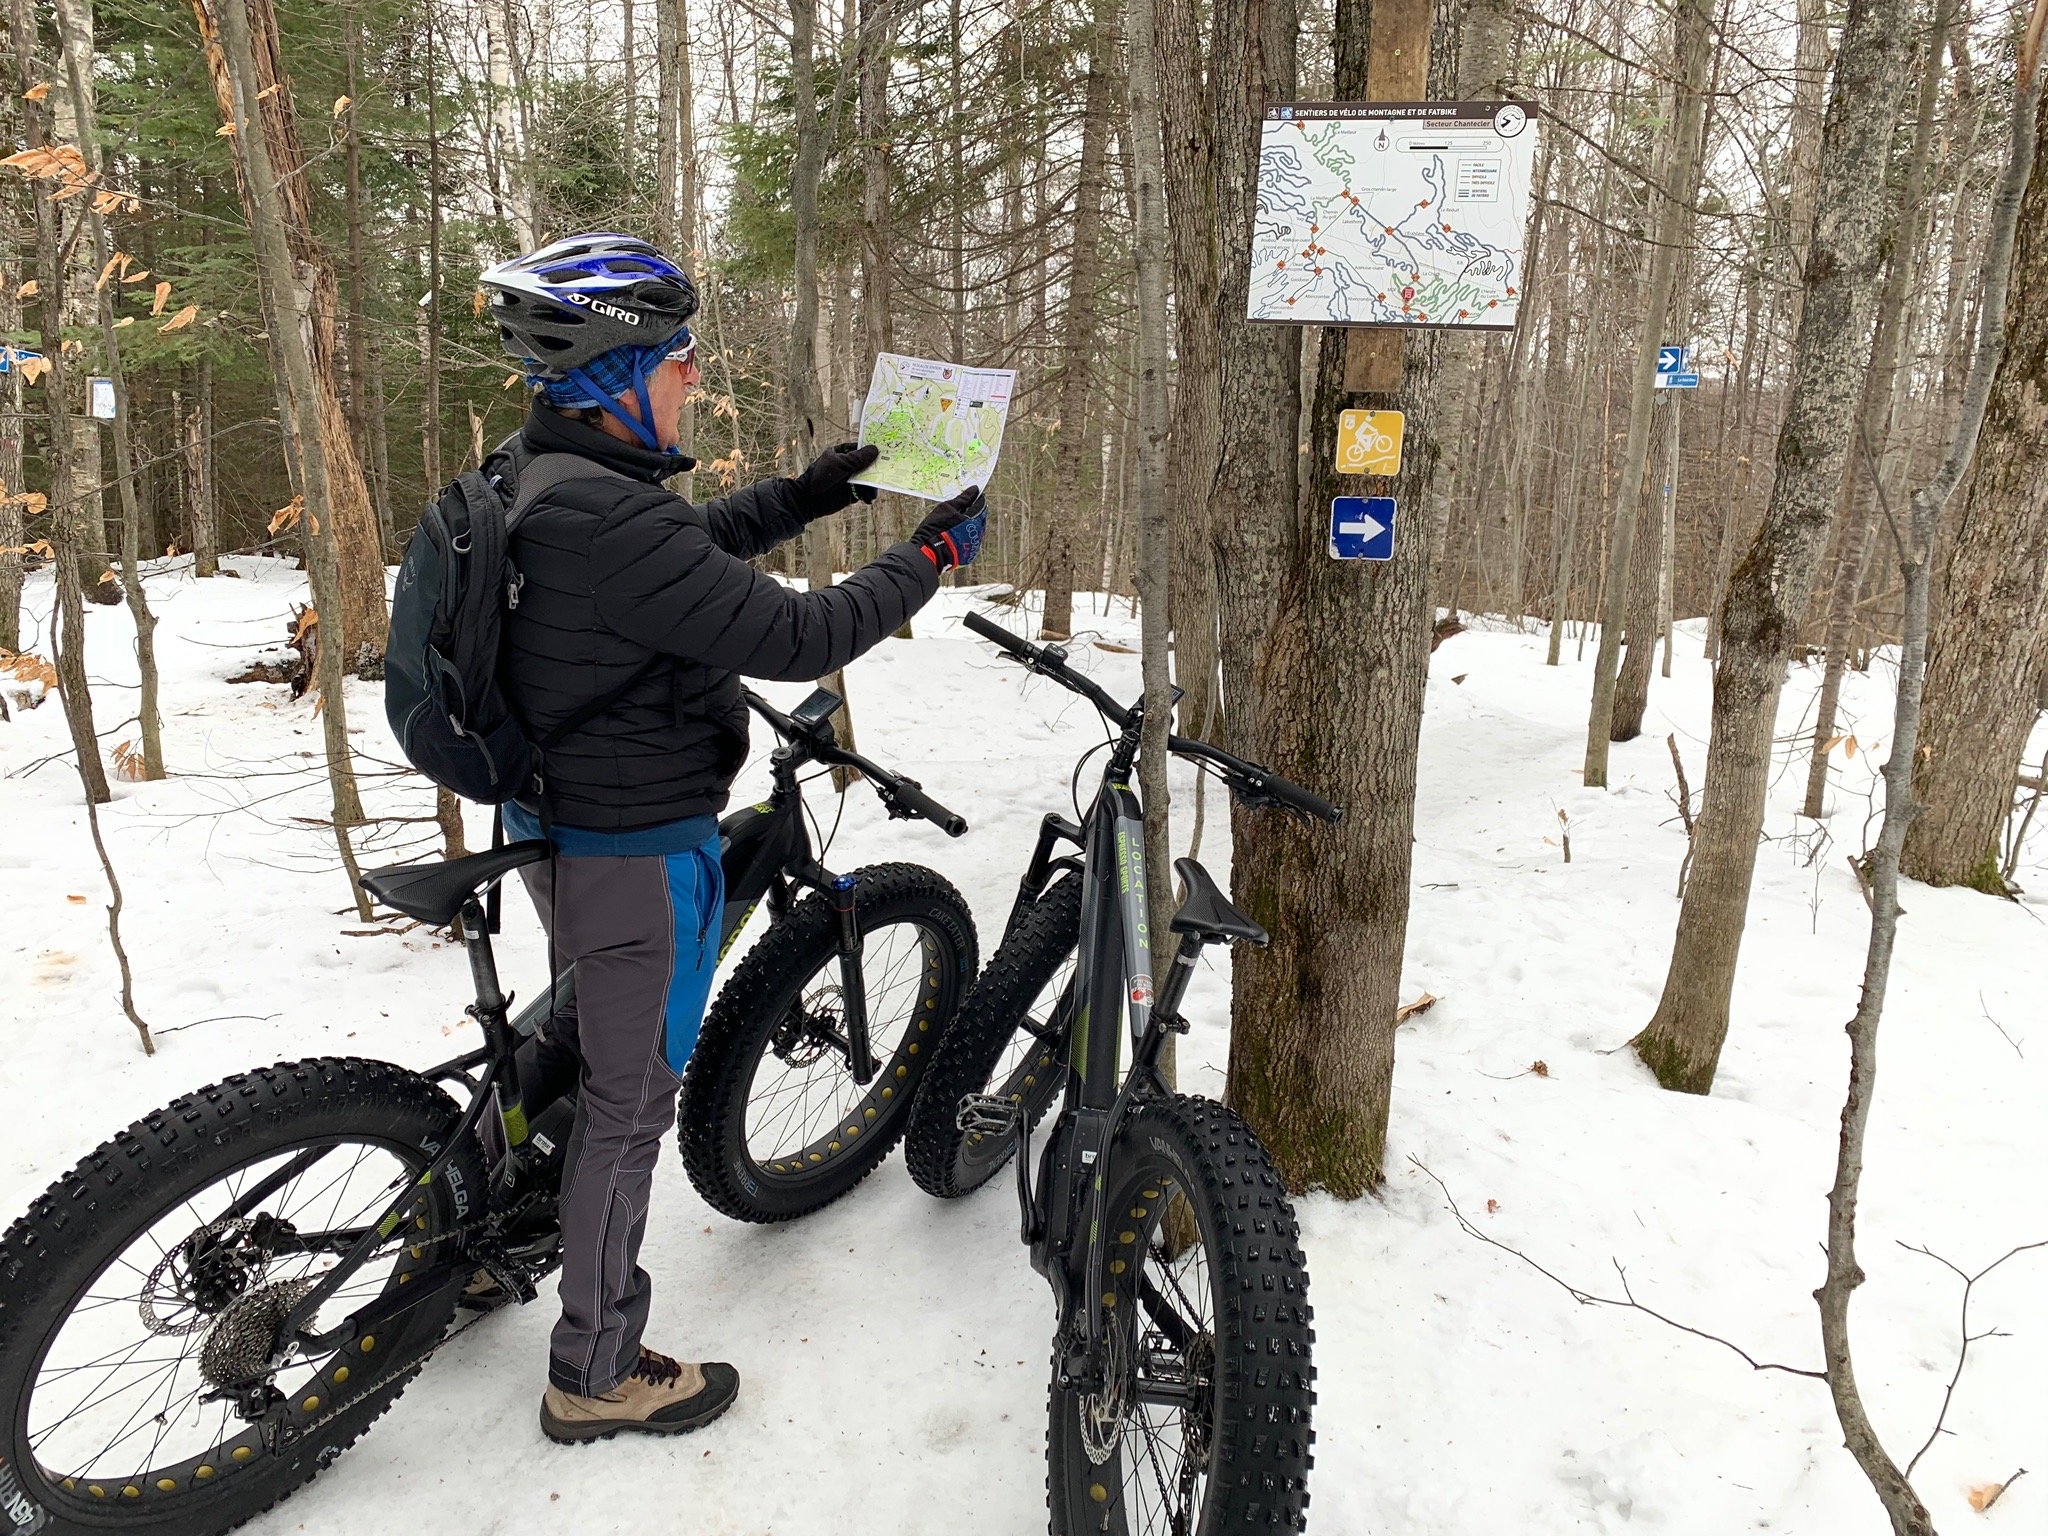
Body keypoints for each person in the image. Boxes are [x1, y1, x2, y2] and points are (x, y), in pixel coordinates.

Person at [476, 232, 987, 1445]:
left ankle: (495, 1219)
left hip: (552, 810)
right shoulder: (611, 523)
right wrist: (928, 555)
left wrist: (815, 492)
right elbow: (803, 640)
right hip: (631, 844)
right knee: (630, 1100)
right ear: (612, 374)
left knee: (581, 1034)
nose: (692, 379)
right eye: (676, 359)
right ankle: (593, 1369)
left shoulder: (541, 476)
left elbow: (683, 556)